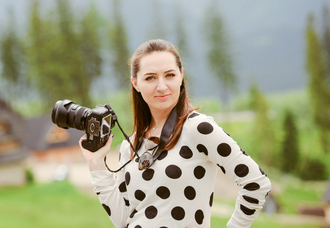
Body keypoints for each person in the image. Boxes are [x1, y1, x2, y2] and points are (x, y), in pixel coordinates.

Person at [79, 39, 271, 228]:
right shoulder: (129, 145)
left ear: (181, 76)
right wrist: (96, 163)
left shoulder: (199, 129)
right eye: (150, 78)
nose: (162, 86)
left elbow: (256, 183)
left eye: (169, 75)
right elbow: (123, 220)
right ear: (135, 83)